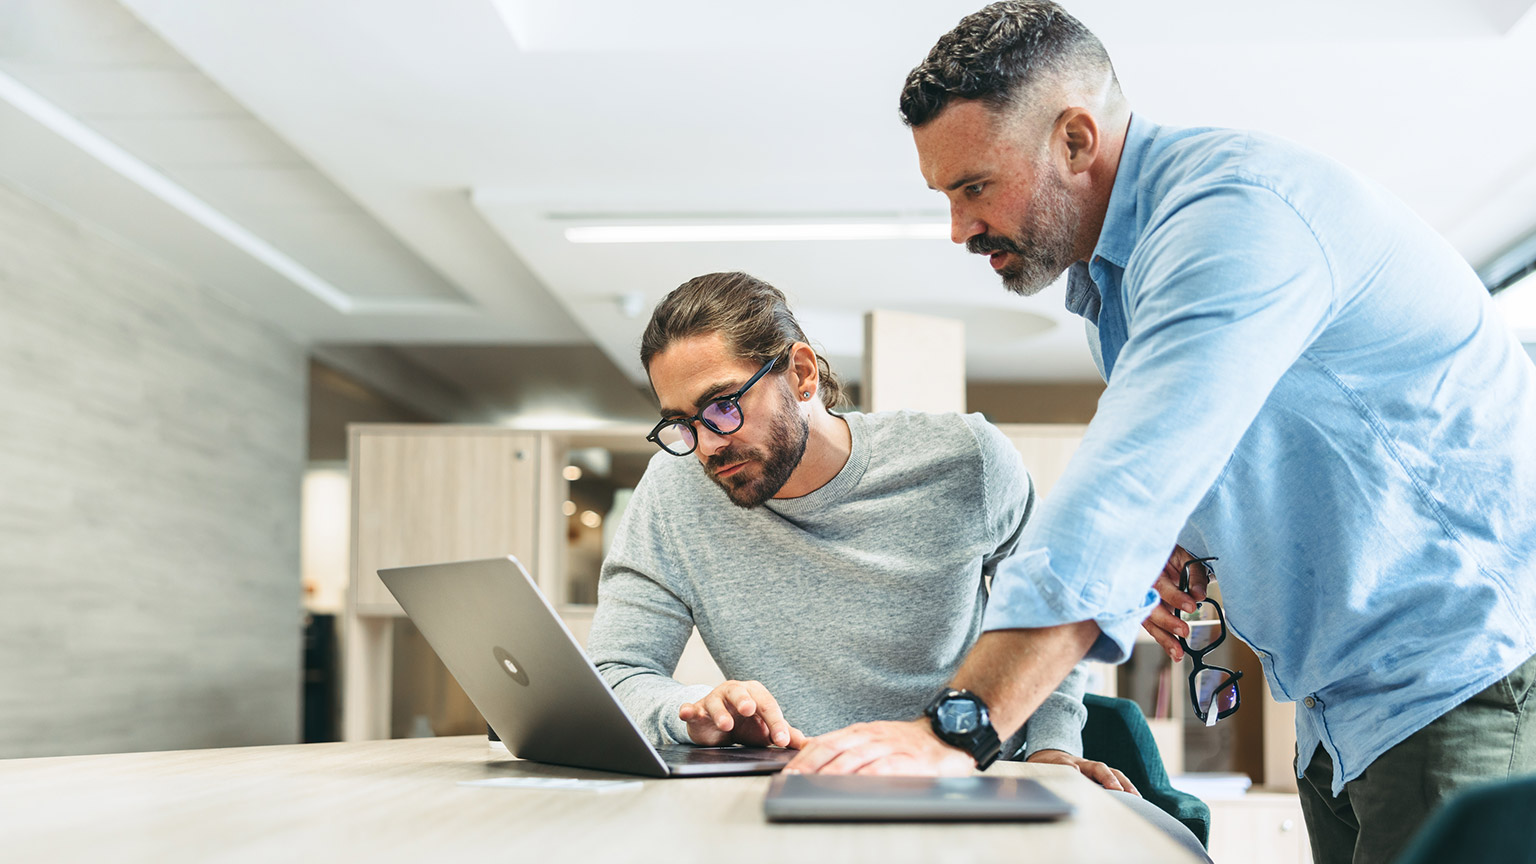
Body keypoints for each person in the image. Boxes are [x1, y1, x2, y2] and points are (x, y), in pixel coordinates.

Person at [786, 4, 1536, 864]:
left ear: (1075, 139)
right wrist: (1182, 539)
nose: (959, 227)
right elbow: (1222, 450)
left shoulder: (1233, 218)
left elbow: (1126, 484)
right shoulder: (1119, 274)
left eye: (974, 187)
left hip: (1462, 675)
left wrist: (958, 732)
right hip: (1344, 710)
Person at [584, 271, 1210, 857]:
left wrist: (1050, 748)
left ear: (801, 373)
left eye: (722, 406)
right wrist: (692, 713)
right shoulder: (673, 491)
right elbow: (617, 672)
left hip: (971, 783)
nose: (707, 445)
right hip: (797, 802)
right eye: (682, 424)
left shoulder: (965, 461)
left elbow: (1055, 610)